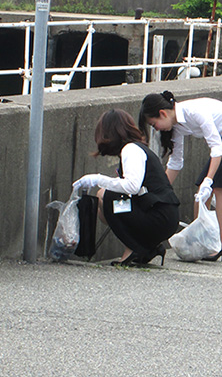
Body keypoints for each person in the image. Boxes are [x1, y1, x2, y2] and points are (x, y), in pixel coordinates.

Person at [139, 91, 222, 261]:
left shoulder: (195, 112)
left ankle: (219, 245)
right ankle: (201, 239)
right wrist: (158, 191)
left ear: (162, 113)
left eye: (154, 124)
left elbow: (216, 149)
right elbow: (176, 163)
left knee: (219, 186)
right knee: (202, 190)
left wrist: (209, 180)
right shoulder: (176, 125)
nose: (156, 129)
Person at [72, 109, 181, 267]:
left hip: (159, 217)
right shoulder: (137, 148)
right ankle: (148, 247)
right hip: (163, 215)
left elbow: (131, 186)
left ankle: (133, 250)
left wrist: (98, 179)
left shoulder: (131, 150)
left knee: (105, 196)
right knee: (108, 200)